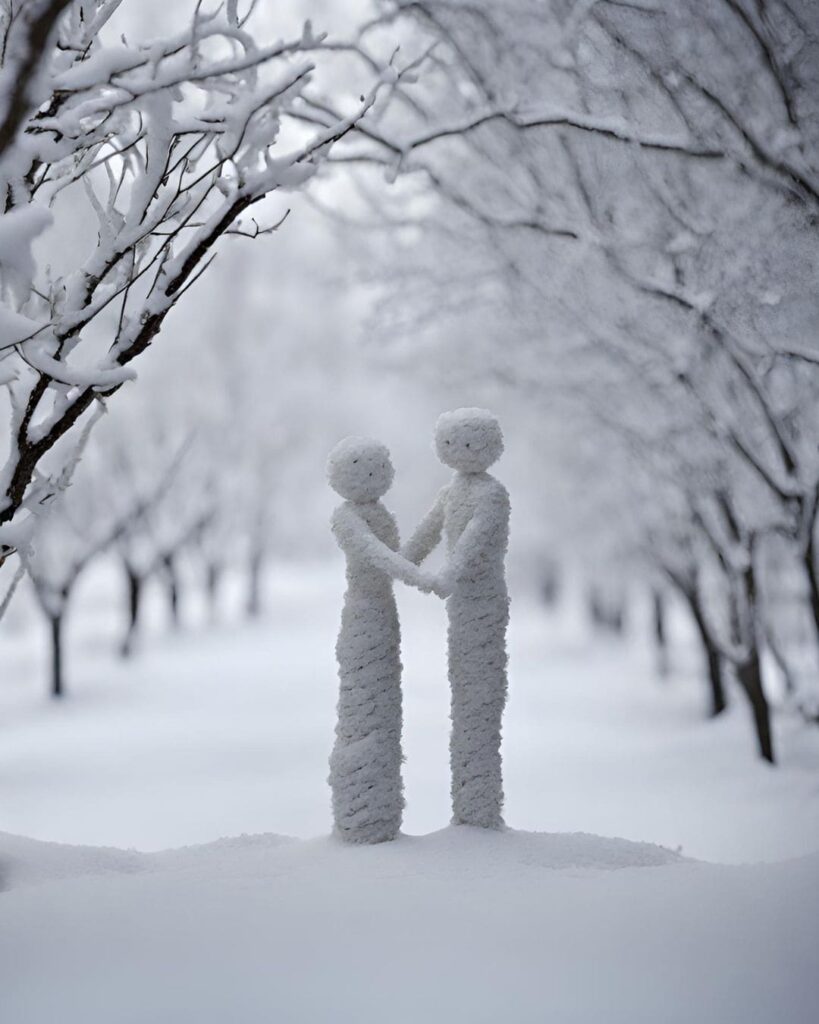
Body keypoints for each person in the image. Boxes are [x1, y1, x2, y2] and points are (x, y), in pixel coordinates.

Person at [326, 436, 447, 843]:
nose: (374, 477)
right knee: (363, 706)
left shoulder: (380, 512)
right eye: (362, 470)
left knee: (385, 703)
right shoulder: (346, 517)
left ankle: (381, 810)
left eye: (380, 469)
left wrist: (439, 520)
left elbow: (400, 556)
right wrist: (422, 580)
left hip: (385, 613)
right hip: (363, 613)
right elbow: (376, 555)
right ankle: (361, 813)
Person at [403, 409, 510, 829]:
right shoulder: (451, 493)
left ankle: (479, 809)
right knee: (462, 687)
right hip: (459, 603)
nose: (460, 450)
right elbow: (429, 531)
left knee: (481, 694)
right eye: (451, 443)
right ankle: (468, 806)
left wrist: (448, 574)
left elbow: (474, 539)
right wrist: (402, 560)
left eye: (470, 442)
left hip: (483, 599)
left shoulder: (492, 495)